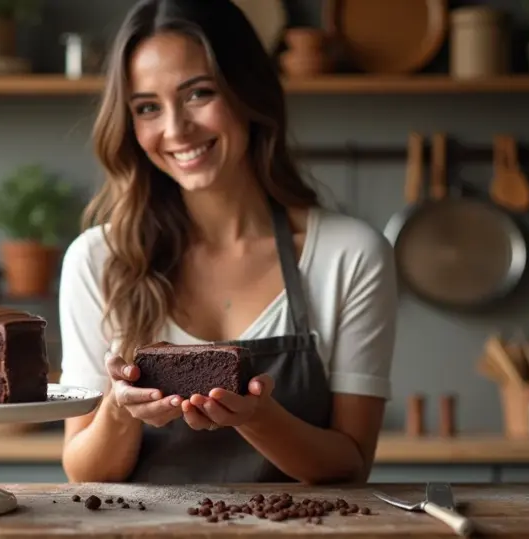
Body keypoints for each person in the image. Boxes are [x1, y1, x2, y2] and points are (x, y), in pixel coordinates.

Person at [57, 0, 398, 485]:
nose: (175, 129)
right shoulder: (98, 259)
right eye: (147, 107)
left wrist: (258, 418)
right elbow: (83, 472)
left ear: (248, 92)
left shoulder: (350, 255)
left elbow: (350, 465)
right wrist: (119, 408)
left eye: (199, 93)